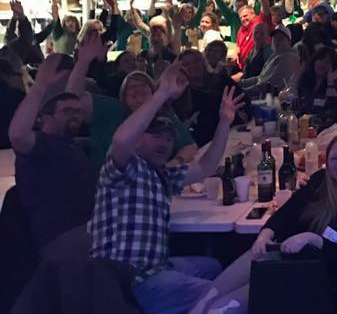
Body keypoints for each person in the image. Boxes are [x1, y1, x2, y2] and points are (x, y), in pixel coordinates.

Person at [88, 65, 243, 314]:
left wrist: (225, 122)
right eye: (157, 135)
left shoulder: (162, 175)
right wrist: (161, 94)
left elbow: (205, 166)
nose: (166, 142)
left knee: (212, 266)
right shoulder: (123, 167)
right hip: (128, 279)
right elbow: (120, 140)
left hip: (157, 267)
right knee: (219, 295)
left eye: (170, 138)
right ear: (138, 139)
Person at [196, 135, 337, 314]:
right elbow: (287, 213)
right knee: (207, 297)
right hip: (281, 257)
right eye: (334, 158)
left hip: (315, 280)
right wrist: (265, 234)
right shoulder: (320, 182)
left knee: (221, 309)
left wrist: (312, 239)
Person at [9, 54, 97, 255]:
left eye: (78, 111)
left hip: (89, 233)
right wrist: (40, 86)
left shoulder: (75, 146)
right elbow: (17, 135)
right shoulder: (40, 146)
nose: (75, 115)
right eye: (67, 111)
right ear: (44, 118)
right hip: (62, 242)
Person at [67, 35, 198, 168]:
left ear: (153, 92)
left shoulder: (163, 117)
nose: (138, 90)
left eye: (143, 85)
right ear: (123, 95)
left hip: (148, 183)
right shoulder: (111, 108)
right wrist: (83, 62)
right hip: (103, 181)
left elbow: (190, 147)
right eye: (131, 87)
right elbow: (73, 98)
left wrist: (174, 165)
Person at [239, 26, 299, 98]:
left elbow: (268, 85)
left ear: (289, 41)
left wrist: (242, 91)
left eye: (281, 38)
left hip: (271, 99)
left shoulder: (288, 58)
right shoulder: (275, 55)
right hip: (261, 93)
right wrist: (240, 83)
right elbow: (260, 78)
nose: (276, 41)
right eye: (275, 38)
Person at [296, 47, 337, 113]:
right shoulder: (305, 77)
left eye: (327, 62)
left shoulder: (336, 81)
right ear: (315, 60)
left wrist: (330, 82)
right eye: (321, 59)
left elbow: (333, 107)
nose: (322, 64)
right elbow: (300, 99)